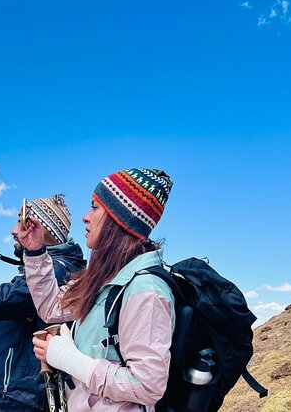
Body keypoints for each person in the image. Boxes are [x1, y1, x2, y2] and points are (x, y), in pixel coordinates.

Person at [19, 168, 175, 412]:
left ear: (118, 219)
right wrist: (36, 250)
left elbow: (147, 385)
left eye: (94, 207)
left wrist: (71, 360)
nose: (85, 217)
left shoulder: (147, 290)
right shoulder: (105, 280)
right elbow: (51, 308)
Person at [0, 194, 85, 412]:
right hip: (19, 397)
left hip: (21, 399)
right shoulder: (56, 269)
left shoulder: (55, 272)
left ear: (41, 230)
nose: (14, 231)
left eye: (22, 222)